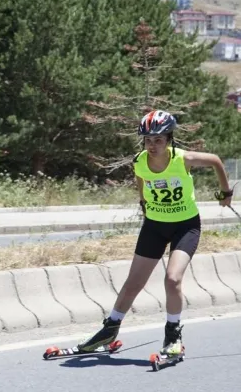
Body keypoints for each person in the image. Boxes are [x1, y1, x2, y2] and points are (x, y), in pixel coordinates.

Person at [77, 109, 233, 357]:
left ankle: (173, 335)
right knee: (133, 284)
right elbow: (141, 178)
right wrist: (143, 202)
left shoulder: (183, 159)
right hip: (155, 225)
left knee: (172, 279)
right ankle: (109, 329)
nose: (153, 145)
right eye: (148, 140)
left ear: (169, 139)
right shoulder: (139, 161)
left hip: (185, 226)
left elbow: (215, 160)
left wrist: (225, 193)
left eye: (158, 140)